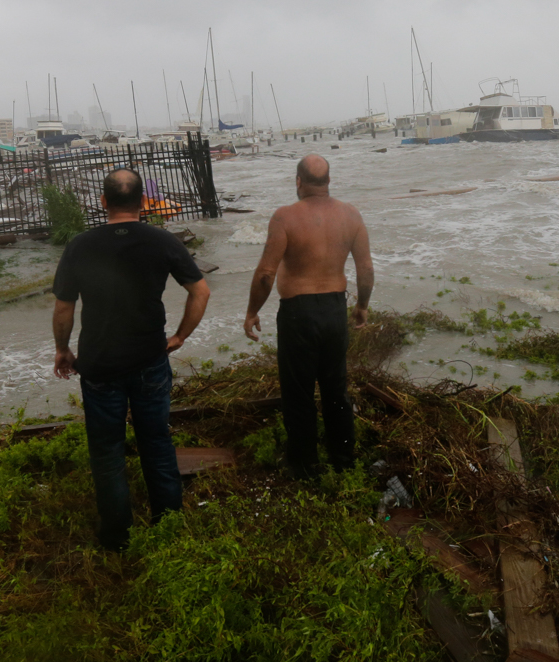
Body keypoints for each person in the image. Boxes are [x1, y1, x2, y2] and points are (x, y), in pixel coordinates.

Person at [52, 168, 211, 551]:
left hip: (100, 364)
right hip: (149, 359)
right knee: (156, 444)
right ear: (143, 203)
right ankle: (169, 528)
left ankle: (117, 540)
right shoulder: (162, 240)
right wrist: (179, 337)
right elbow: (201, 292)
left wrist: (63, 349)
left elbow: (63, 308)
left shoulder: (80, 245)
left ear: (103, 202)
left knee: (107, 454)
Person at [243, 154, 373, 478]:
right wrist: (361, 306)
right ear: (328, 181)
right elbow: (366, 269)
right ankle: (343, 460)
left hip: (298, 313)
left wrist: (252, 311)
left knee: (298, 392)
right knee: (335, 388)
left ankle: (304, 465)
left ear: (298, 181)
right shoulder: (351, 215)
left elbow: (264, 274)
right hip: (333, 309)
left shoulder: (285, 217)